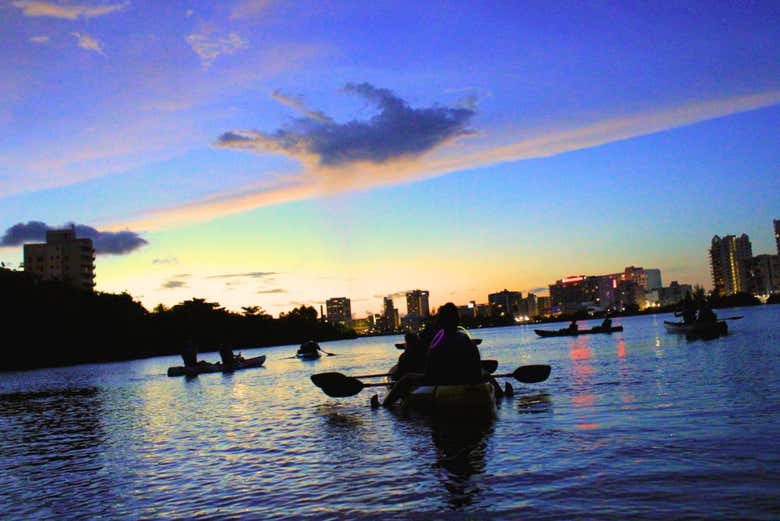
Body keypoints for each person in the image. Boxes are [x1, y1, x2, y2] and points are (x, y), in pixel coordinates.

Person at [378, 303, 504, 407]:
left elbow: (430, 370)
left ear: (441, 321)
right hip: (469, 378)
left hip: (443, 380)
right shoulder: (466, 339)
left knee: (406, 378)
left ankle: (384, 405)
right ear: (457, 320)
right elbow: (475, 366)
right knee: (486, 374)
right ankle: (502, 395)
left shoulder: (438, 341)